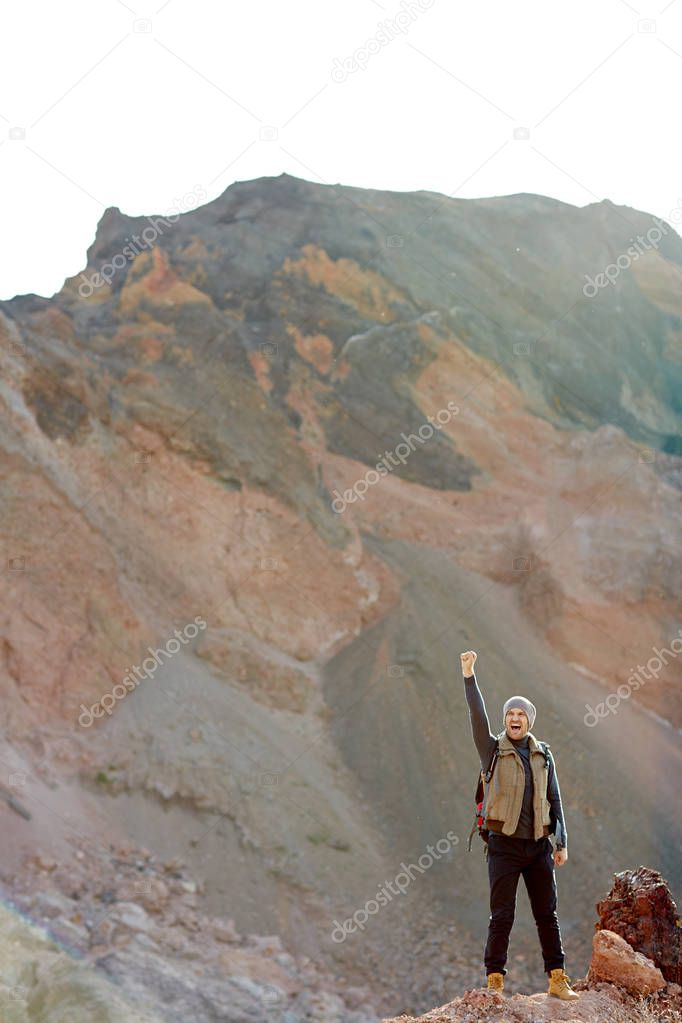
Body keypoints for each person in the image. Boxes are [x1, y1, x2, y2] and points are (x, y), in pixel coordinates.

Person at [460, 649, 579, 1001]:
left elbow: (555, 799)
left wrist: (561, 842)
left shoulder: (544, 754)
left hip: (539, 846)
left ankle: (557, 979)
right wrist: (469, 676)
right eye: (510, 714)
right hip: (504, 847)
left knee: (547, 914)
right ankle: (495, 980)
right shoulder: (491, 750)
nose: (515, 719)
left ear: (529, 720)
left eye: (521, 714)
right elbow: (476, 715)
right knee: (502, 916)